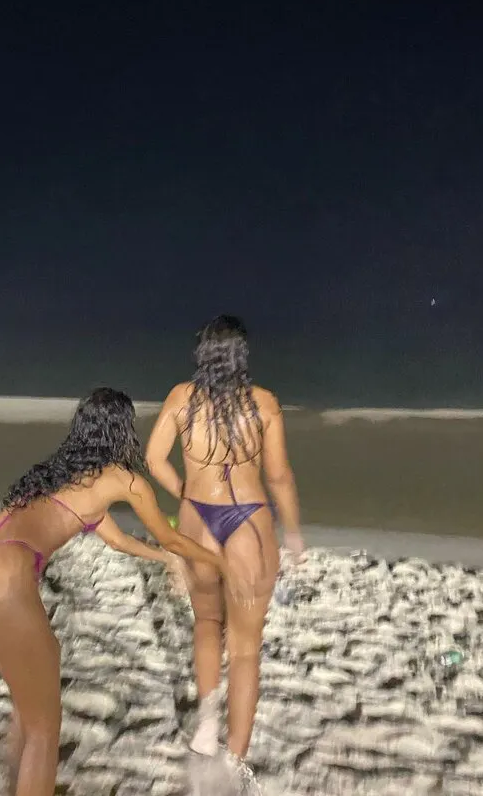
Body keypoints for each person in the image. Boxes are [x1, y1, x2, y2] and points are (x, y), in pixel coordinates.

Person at [0, 387, 253, 796]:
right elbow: (172, 537)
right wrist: (222, 563)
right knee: (45, 730)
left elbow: (119, 541)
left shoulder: (59, 473)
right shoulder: (124, 479)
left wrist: (163, 560)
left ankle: (15, 780)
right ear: (124, 431)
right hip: (2, 581)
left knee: (34, 687)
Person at [145, 315, 303, 781]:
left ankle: (207, 725)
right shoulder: (264, 404)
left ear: (203, 354)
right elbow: (278, 477)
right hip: (248, 520)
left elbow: (153, 459)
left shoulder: (181, 398)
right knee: (246, 648)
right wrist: (293, 533)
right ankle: (234, 758)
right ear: (241, 357)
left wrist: (186, 495)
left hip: (197, 520)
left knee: (207, 623)